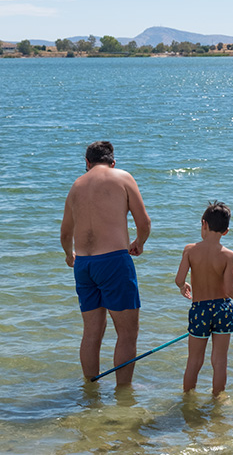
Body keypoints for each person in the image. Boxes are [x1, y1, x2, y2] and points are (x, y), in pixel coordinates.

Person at [60, 141, 151, 385]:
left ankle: (91, 392)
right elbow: (144, 223)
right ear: (112, 162)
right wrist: (139, 243)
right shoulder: (122, 177)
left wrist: (70, 256)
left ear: (87, 163)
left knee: (91, 333)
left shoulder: (76, 186)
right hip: (113, 261)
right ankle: (123, 395)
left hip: (84, 265)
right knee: (127, 333)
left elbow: (65, 234)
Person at [174, 201, 233, 395]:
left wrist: (183, 286)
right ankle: (217, 401)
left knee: (194, 360)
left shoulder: (190, 250)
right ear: (226, 231)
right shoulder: (228, 255)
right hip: (222, 309)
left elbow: (179, 279)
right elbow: (230, 289)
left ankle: (188, 399)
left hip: (199, 310)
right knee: (219, 361)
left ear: (204, 224)